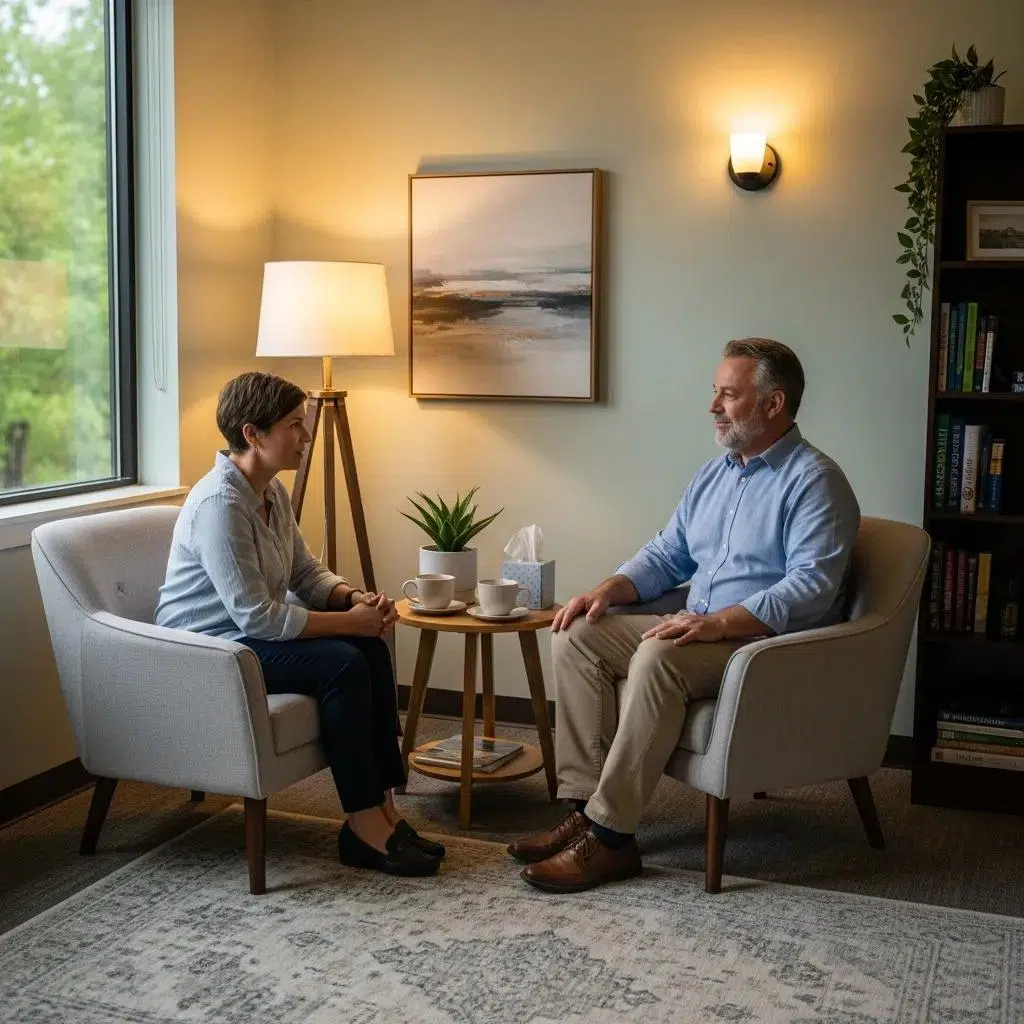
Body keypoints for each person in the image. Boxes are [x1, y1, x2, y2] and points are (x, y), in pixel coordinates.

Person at [508, 338, 860, 893]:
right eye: (715, 392)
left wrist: (719, 622)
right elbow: (667, 552)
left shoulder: (817, 482)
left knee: (660, 655)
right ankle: (584, 810)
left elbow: (811, 588)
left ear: (774, 403)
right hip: (693, 624)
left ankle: (612, 840)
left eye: (728, 394)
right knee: (577, 632)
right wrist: (610, 587)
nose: (713, 406)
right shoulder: (715, 475)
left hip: (757, 644)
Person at [156, 371, 442, 877]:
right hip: (210, 649)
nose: (306, 437)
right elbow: (256, 616)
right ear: (252, 433)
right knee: (344, 665)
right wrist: (347, 624)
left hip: (248, 636)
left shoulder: (272, 493)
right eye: (294, 426)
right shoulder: (221, 505)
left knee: (371, 649)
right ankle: (360, 825)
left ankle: (384, 809)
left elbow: (304, 573)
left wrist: (352, 598)